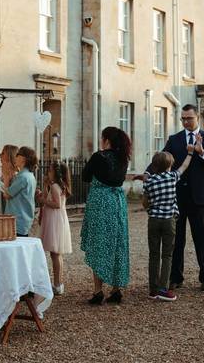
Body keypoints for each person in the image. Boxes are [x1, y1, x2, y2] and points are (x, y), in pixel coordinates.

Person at [163, 104, 204, 291]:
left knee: (202, 239)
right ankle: (175, 277)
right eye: (183, 118)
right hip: (178, 197)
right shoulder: (174, 140)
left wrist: (202, 152)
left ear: (198, 117)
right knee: (177, 240)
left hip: (200, 198)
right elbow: (162, 160)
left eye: (189, 118)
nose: (186, 121)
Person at [81, 127, 131, 304]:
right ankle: (116, 290)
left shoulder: (99, 156)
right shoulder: (123, 159)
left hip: (100, 202)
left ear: (106, 140)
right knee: (117, 243)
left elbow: (85, 177)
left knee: (99, 243)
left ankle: (98, 291)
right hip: (118, 202)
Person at [141, 150, 194, 301]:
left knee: (154, 254)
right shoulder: (172, 177)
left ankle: (153, 289)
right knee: (167, 255)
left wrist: (152, 206)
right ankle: (163, 289)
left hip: (153, 220)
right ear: (169, 165)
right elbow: (184, 166)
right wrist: (190, 153)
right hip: (169, 220)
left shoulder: (149, 182)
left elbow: (145, 203)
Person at [39, 162, 73, 296]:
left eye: (50, 170)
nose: (48, 172)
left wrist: (43, 201)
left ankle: (57, 284)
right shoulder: (59, 185)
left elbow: (57, 204)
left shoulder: (55, 186)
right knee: (57, 253)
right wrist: (45, 187)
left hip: (54, 220)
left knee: (55, 253)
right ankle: (59, 283)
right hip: (58, 219)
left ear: (55, 172)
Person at [2, 146, 37, 237]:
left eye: (17, 155)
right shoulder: (28, 175)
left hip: (17, 221)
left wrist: (6, 179)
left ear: (23, 159)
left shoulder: (22, 177)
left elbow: (7, 195)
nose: (15, 157)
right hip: (23, 220)